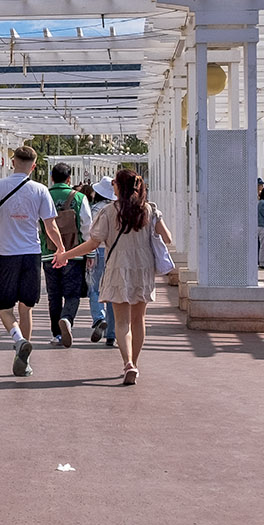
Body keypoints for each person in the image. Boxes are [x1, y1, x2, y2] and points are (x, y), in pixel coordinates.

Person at [53, 170, 176, 386]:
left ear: (120, 187)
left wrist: (66, 254)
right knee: (139, 320)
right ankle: (134, 363)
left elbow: (93, 243)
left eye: (114, 184)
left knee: (121, 321)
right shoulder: (149, 210)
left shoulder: (110, 212)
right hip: (143, 269)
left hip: (118, 268)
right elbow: (168, 238)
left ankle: (127, 362)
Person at [0, 145, 67, 377]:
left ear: (12, 162)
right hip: (32, 253)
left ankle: (18, 340)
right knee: (26, 307)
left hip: (7, 254)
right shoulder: (40, 190)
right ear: (33, 165)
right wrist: (61, 248)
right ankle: (24, 359)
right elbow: (50, 225)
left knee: (4, 306)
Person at [43, 163, 92, 347]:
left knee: (53, 295)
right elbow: (87, 225)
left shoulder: (44, 195)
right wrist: (90, 253)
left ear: (52, 178)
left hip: (49, 253)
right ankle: (67, 318)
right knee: (72, 294)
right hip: (74, 253)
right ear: (69, 179)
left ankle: (56, 334)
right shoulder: (79, 197)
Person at [86, 180, 117, 346]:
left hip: (97, 251)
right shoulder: (116, 210)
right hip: (113, 252)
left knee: (95, 288)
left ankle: (99, 318)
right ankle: (111, 333)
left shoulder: (95, 209)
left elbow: (89, 233)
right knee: (112, 292)